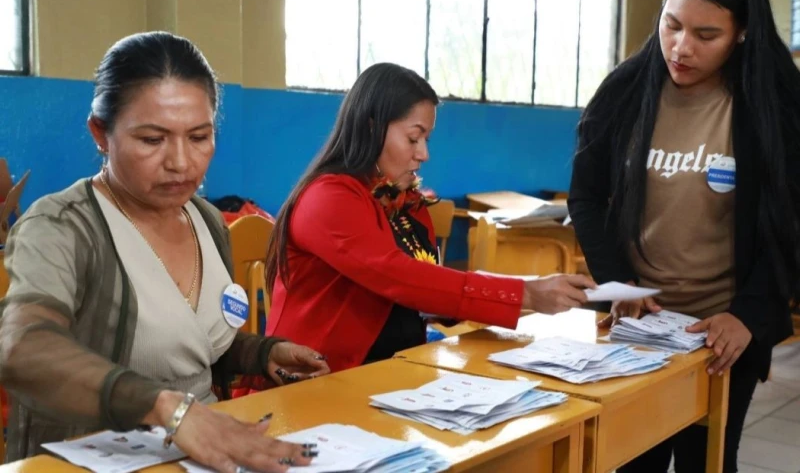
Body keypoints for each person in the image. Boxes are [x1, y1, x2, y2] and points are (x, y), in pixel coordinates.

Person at [0, 32, 330, 473]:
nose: (181, 162)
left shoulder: (207, 220)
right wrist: (166, 408)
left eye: (199, 137)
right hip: (96, 460)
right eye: (153, 140)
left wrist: (261, 354)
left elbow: (189, 344)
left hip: (202, 454)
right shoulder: (63, 226)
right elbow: (21, 348)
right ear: (101, 133)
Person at [568, 0, 799, 471]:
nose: (681, 47)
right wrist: (619, 282)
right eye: (671, 25)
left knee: (707, 462)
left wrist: (749, 314)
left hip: (723, 332)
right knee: (635, 460)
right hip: (641, 328)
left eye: (706, 35)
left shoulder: (776, 103)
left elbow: (792, 222)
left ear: (742, 33)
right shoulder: (625, 91)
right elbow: (586, 197)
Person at [264, 62, 597, 374]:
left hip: (391, 373)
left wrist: (534, 289)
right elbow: (399, 277)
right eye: (413, 138)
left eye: (426, 139)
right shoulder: (328, 198)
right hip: (316, 381)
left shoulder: (406, 203)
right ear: (371, 128)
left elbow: (426, 288)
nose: (424, 153)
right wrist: (525, 293)